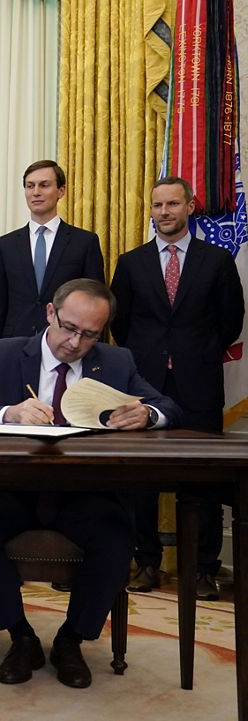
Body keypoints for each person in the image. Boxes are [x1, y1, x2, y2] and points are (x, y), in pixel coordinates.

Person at [0, 279, 180, 690]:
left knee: (115, 535)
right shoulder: (2, 354)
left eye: (89, 335)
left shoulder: (116, 361)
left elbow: (167, 406)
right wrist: (9, 414)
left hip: (83, 494)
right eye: (69, 328)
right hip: (11, 490)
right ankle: (21, 637)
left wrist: (147, 413)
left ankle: (70, 640)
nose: (74, 343)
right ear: (50, 314)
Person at [110, 176, 245, 600]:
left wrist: (196, 352)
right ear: (150, 210)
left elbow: (230, 320)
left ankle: (203, 569)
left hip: (199, 383)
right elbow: (121, 322)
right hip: (144, 385)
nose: (164, 212)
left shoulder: (216, 260)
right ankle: (147, 562)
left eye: (172, 204)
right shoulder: (130, 263)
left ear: (190, 206)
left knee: (201, 481)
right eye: (157, 205)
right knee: (142, 482)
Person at [0, 160, 104, 344]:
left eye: (44, 185)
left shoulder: (84, 242)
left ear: (61, 191)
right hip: (16, 344)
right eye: (30, 186)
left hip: (68, 344)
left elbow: (95, 302)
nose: (36, 192)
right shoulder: (5, 245)